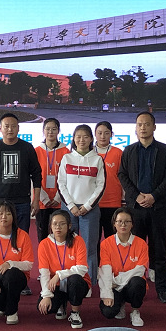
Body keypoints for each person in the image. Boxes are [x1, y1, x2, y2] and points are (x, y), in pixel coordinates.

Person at [118, 111, 166, 304]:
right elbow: (122, 175)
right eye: (140, 124)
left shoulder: (164, 150)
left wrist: (153, 196)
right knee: (135, 250)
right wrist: (137, 196)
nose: (143, 128)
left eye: (147, 124)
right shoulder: (129, 151)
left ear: (154, 127)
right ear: (135, 128)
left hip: (158, 207)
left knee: (159, 249)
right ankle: (136, 287)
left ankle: (161, 289)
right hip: (135, 209)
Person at [57, 124, 105, 287]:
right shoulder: (67, 158)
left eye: (85, 137)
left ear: (91, 139)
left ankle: (88, 283)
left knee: (89, 247)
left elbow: (100, 186)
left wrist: (87, 206)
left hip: (89, 210)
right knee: (68, 246)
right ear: (73, 139)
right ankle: (68, 280)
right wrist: (71, 205)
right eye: (78, 137)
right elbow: (61, 184)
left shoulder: (97, 160)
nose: (81, 140)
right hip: (69, 209)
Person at [0, 113, 42, 233]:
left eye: (13, 126)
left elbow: (36, 175)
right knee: (0, 239)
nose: (10, 129)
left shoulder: (27, 148)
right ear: (0, 128)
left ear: (18, 128)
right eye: (6, 126)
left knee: (22, 237)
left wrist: (36, 200)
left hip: (22, 202)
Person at [37, 210, 91, 329]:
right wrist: (46, 295)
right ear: (50, 226)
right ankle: (61, 303)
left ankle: (75, 312)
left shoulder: (78, 241)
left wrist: (59, 275)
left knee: (75, 279)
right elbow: (44, 272)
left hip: (76, 283)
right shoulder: (44, 244)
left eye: (62, 224)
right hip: (55, 285)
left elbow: (82, 268)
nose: (58, 227)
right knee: (46, 308)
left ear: (69, 225)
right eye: (55, 224)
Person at [98, 208, 148, 327]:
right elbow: (105, 269)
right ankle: (120, 304)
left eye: (127, 221)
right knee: (108, 312)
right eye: (119, 221)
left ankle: (135, 311)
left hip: (127, 284)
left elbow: (140, 270)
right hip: (113, 286)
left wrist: (117, 281)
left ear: (132, 224)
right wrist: (107, 293)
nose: (123, 225)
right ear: (114, 223)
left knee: (137, 282)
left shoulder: (141, 243)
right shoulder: (106, 244)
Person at [35, 118, 70, 244]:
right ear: (43, 131)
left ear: (58, 131)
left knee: (61, 235)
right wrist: (43, 198)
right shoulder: (36, 151)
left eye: (54, 129)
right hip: (42, 200)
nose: (50, 132)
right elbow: (33, 176)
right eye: (48, 129)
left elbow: (68, 177)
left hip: (60, 200)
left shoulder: (66, 152)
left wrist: (58, 197)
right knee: (42, 234)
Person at [94, 121, 124, 240]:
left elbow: (123, 178)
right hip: (92, 203)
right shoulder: (89, 152)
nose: (103, 136)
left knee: (112, 239)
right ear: (95, 134)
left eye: (106, 133)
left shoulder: (118, 153)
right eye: (99, 133)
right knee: (93, 240)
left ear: (111, 134)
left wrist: (124, 200)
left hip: (113, 202)